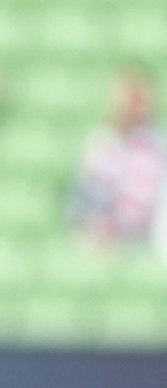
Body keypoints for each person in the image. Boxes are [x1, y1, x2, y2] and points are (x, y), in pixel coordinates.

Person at [70, 67, 167, 251]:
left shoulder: (160, 143)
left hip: (149, 240)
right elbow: (86, 200)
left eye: (137, 97)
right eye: (127, 97)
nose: (131, 104)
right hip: (107, 239)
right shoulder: (101, 142)